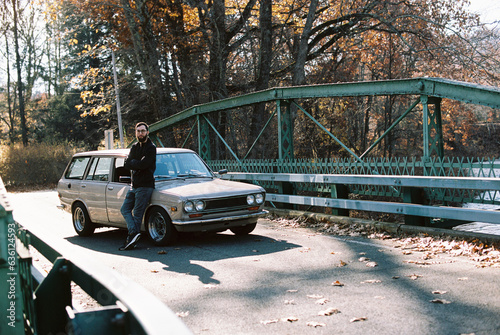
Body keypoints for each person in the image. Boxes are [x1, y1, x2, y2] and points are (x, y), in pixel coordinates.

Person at [119, 122, 156, 250]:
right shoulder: (134, 147)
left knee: (138, 214)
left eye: (143, 131)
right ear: (136, 133)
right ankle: (134, 233)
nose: (140, 133)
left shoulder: (151, 148)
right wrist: (137, 163)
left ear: (147, 132)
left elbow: (144, 165)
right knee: (124, 209)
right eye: (138, 131)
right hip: (134, 186)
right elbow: (126, 163)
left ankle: (131, 238)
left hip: (145, 186)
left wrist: (135, 163)